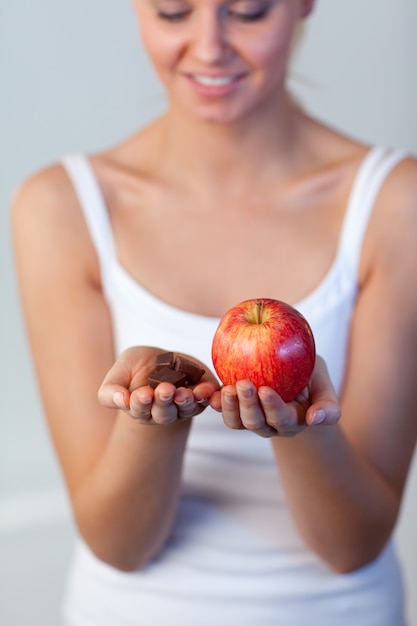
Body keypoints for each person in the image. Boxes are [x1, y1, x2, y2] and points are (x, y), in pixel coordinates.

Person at [11, 0, 417, 624]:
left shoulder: (396, 203)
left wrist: (301, 426)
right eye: (174, 13)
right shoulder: (59, 208)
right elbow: (119, 545)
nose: (208, 47)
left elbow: (352, 546)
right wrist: (157, 421)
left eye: (247, 13)